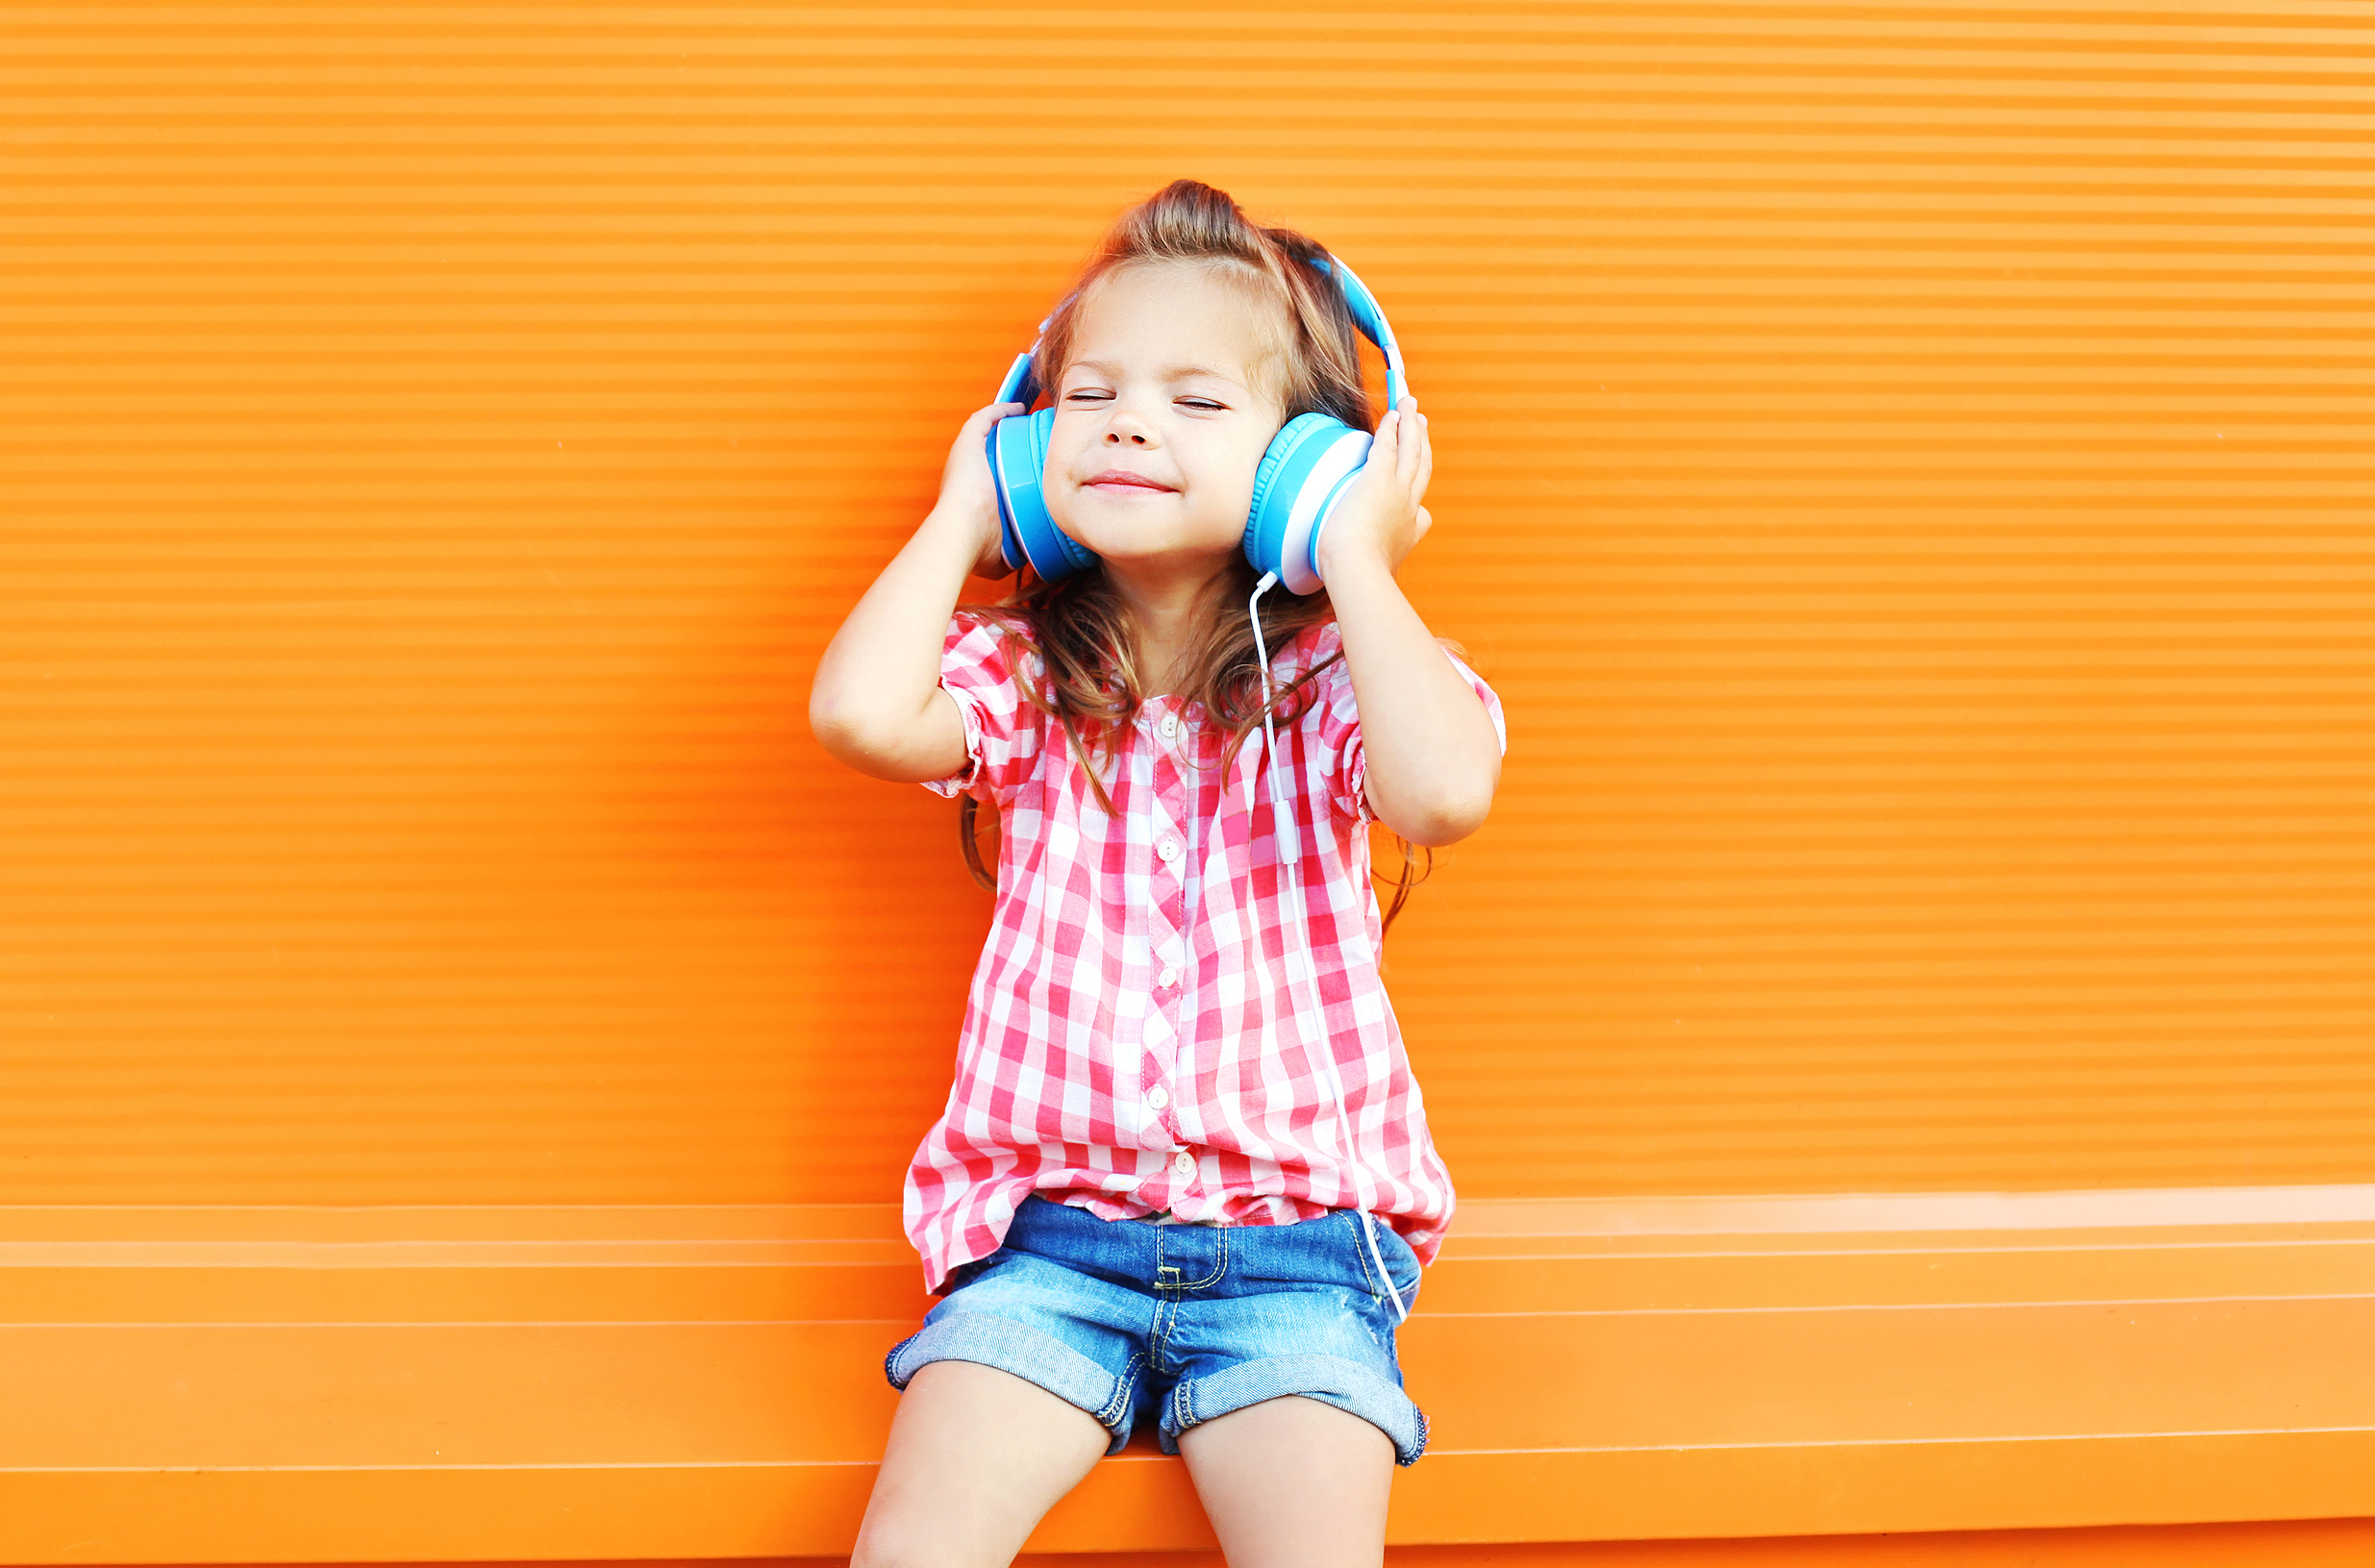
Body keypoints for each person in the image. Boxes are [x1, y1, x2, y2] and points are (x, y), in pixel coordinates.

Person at [808, 178, 1506, 1568]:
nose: (1128, 422)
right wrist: (964, 511)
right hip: (1048, 1253)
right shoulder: (1022, 681)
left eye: (1199, 402)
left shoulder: (1332, 689)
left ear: (1309, 462)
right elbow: (859, 715)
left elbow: (1443, 790)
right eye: (1087, 399)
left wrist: (1353, 551)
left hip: (1301, 1258)